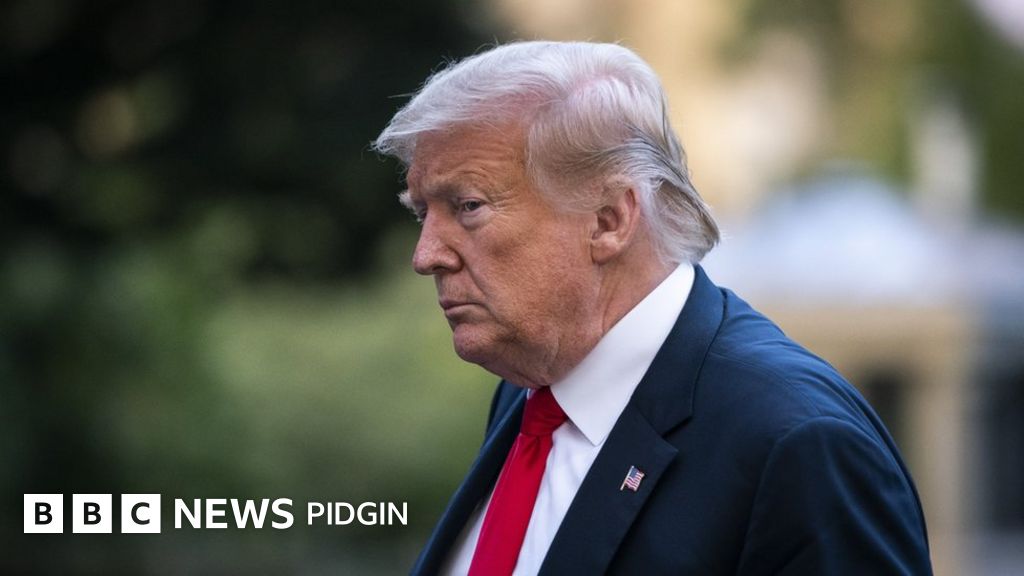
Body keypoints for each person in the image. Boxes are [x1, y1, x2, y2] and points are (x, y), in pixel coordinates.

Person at [374, 41, 932, 575]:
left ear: (610, 220)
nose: (426, 256)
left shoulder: (798, 443)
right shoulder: (531, 391)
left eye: (468, 206)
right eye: (423, 213)